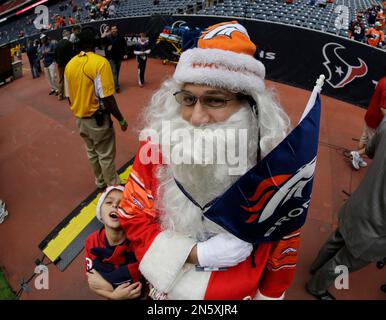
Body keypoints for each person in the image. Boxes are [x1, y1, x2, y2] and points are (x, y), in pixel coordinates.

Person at [117, 21, 301, 300]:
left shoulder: (277, 164)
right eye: (188, 99)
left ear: (250, 107)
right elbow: (133, 213)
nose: (196, 117)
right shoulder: (157, 147)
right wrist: (192, 254)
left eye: (214, 101)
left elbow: (282, 252)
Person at [307, 108, 386, 300]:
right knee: (345, 262)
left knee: (338, 237)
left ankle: (316, 267)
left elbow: (372, 150)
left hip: (360, 203)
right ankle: (316, 287)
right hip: (378, 228)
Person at [64, 27, 128, 189]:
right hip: (97, 120)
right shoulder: (100, 62)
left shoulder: (70, 65)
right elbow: (107, 97)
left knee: (92, 153)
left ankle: (100, 182)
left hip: (80, 119)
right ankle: (113, 186)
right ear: (94, 42)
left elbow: (69, 97)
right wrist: (120, 119)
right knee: (105, 155)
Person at [85, 186, 143, 299]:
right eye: (108, 202)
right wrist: (113, 295)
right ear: (99, 212)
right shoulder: (91, 241)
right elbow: (93, 282)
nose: (115, 205)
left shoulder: (139, 242)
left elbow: (136, 287)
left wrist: (108, 286)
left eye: (122, 203)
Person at [350, 76, 386, 169]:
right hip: (376, 121)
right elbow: (383, 108)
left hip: (370, 116)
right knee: (376, 146)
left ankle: (357, 157)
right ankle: (357, 154)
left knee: (364, 139)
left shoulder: (383, 79)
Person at [103, 25, 127, 93]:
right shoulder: (108, 37)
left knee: (117, 71)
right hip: (111, 57)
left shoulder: (121, 37)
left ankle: (114, 82)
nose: (114, 30)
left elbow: (124, 45)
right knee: (114, 72)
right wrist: (107, 53)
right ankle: (117, 87)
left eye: (115, 29)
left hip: (119, 56)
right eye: (112, 29)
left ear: (117, 29)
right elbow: (104, 45)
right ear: (110, 30)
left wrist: (125, 53)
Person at [55, 30, 74, 101]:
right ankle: (72, 94)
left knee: (61, 80)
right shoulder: (69, 43)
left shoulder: (58, 43)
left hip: (60, 65)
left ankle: (60, 95)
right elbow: (71, 54)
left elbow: (55, 55)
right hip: (68, 64)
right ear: (67, 35)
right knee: (70, 78)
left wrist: (58, 62)